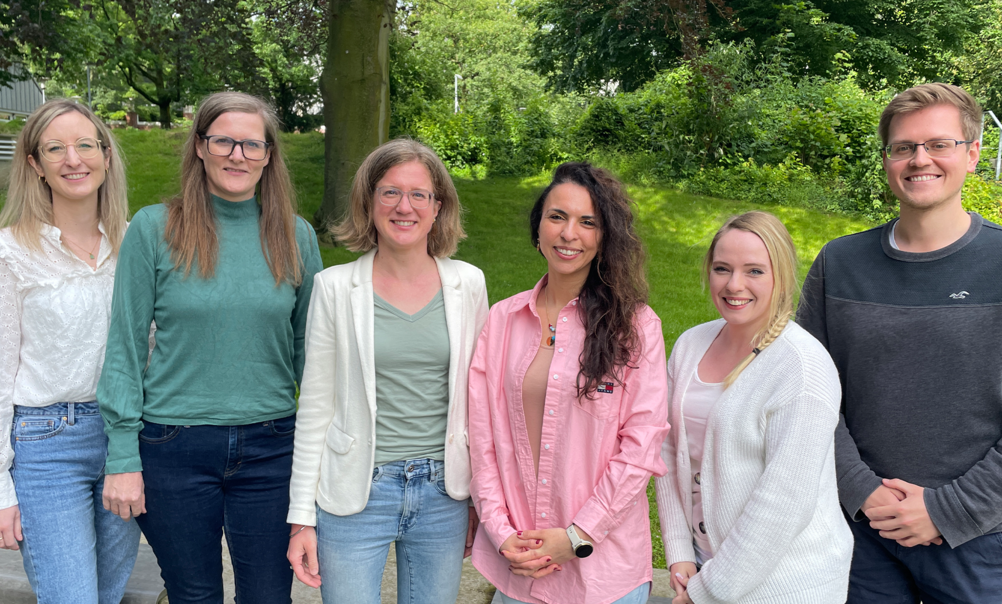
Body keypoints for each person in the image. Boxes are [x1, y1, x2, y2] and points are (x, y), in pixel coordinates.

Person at [797, 82, 1002, 603]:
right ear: (887, 160)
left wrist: (954, 508)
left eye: (938, 144)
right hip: (855, 528)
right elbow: (804, 393)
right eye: (903, 147)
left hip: (975, 537)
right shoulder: (840, 264)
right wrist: (860, 489)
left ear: (971, 154)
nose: (919, 159)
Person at [97, 91, 323, 603]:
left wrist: (319, 459)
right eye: (223, 140)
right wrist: (122, 456)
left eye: (252, 144)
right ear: (200, 147)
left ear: (269, 155)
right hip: (173, 445)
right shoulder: (155, 229)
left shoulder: (295, 237)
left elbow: (313, 358)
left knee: (267, 596)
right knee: (192, 594)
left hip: (271, 446)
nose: (237, 155)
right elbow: (125, 347)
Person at [285, 138, 488, 604]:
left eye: (420, 194)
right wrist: (302, 517)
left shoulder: (467, 283)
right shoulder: (334, 287)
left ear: (439, 207)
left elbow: (479, 400)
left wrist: (479, 498)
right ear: (369, 201)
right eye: (390, 192)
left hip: (444, 493)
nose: (405, 206)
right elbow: (315, 405)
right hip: (357, 493)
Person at [468, 162, 669, 604]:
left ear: (604, 237)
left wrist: (577, 535)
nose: (568, 233)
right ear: (538, 226)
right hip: (519, 563)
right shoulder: (502, 321)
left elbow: (640, 449)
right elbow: (481, 440)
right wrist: (501, 533)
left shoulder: (634, 328)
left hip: (602, 575)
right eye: (557, 216)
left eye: (588, 222)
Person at [0, 99, 139, 602]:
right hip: (46, 444)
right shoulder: (6, 252)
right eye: (55, 148)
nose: (73, 159)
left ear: (106, 156)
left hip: (125, 442)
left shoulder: (135, 245)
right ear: (35, 165)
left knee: (107, 594)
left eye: (86, 144)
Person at [654, 211, 852, 604]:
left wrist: (707, 592)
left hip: (785, 586)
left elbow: (784, 501)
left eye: (754, 271)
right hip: (704, 566)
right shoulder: (691, 345)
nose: (734, 285)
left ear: (780, 276)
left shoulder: (801, 366)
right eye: (722, 268)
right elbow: (665, 449)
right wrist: (678, 551)